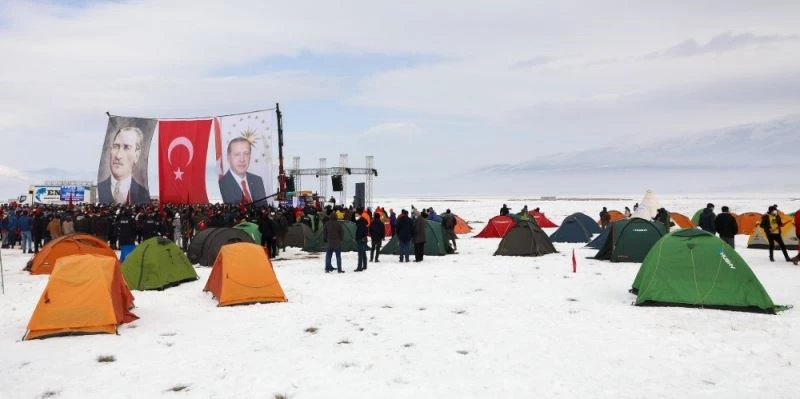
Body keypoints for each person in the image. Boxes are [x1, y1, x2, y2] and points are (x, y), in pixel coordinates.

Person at [98, 126, 151, 205]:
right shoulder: (100, 187)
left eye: (127, 147)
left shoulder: (143, 192)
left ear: (136, 155)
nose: (118, 156)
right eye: (115, 146)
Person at [219, 137, 267, 205]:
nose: (242, 159)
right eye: (237, 154)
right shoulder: (221, 184)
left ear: (250, 156)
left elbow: (264, 209)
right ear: (228, 157)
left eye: (246, 154)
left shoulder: (258, 180)